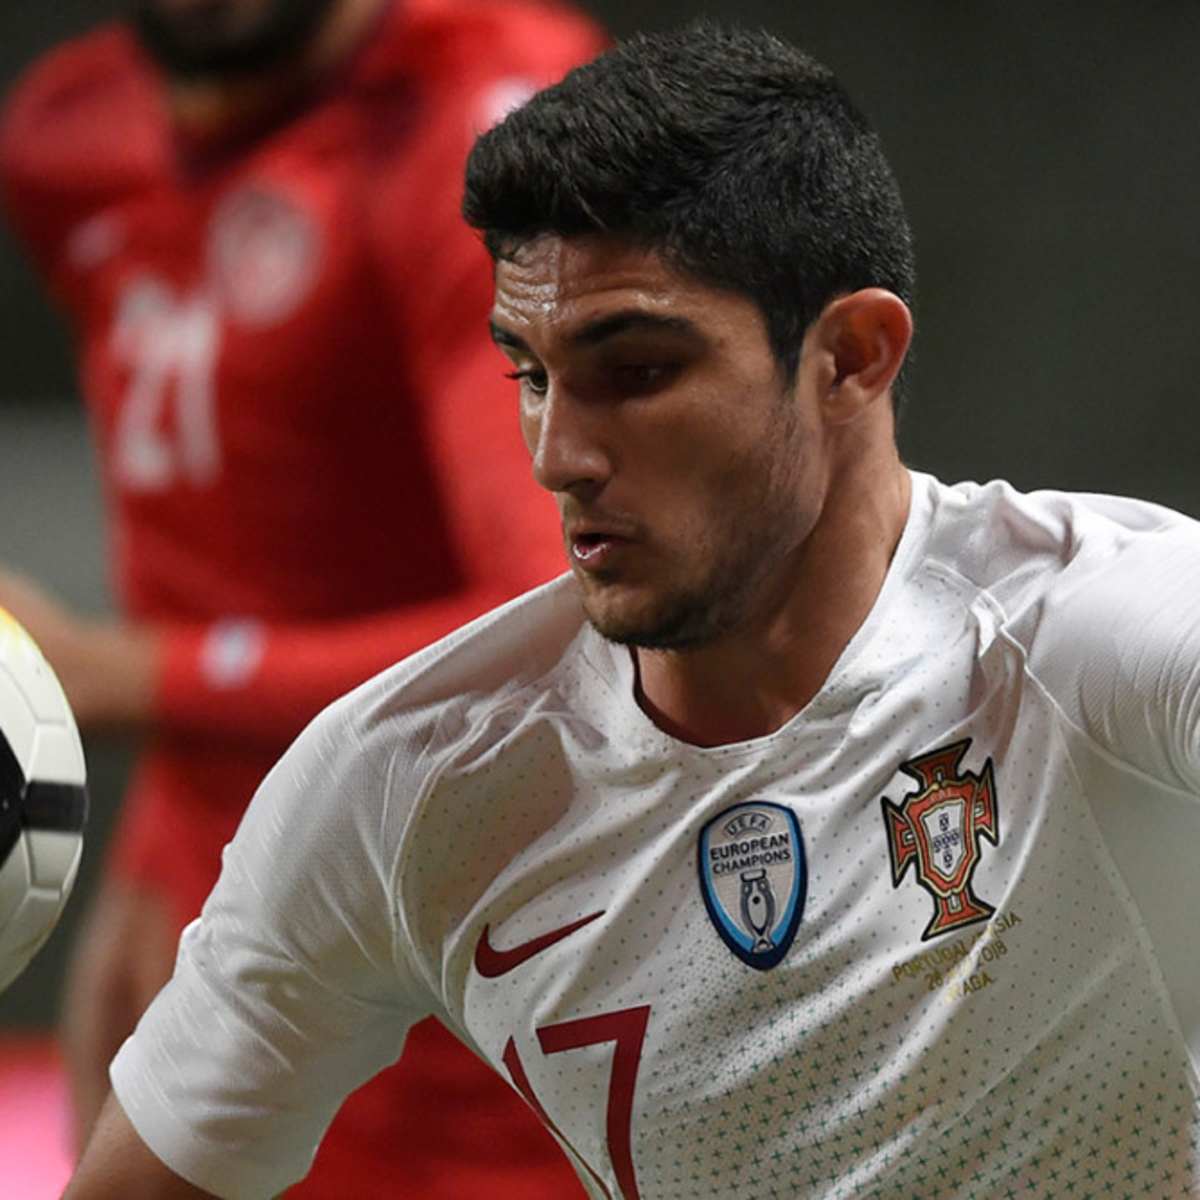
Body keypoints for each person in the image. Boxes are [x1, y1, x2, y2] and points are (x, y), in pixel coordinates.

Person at [65, 21, 1200, 1200]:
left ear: (853, 357)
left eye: (639, 371)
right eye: (531, 374)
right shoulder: (405, 782)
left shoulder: (1087, 635)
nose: (558, 455)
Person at [0, 0, 605, 1196]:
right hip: (227, 935)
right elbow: (226, 534)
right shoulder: (67, 138)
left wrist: (138, 681)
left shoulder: (494, 134)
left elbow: (556, 619)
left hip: (478, 977)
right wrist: (162, 845)